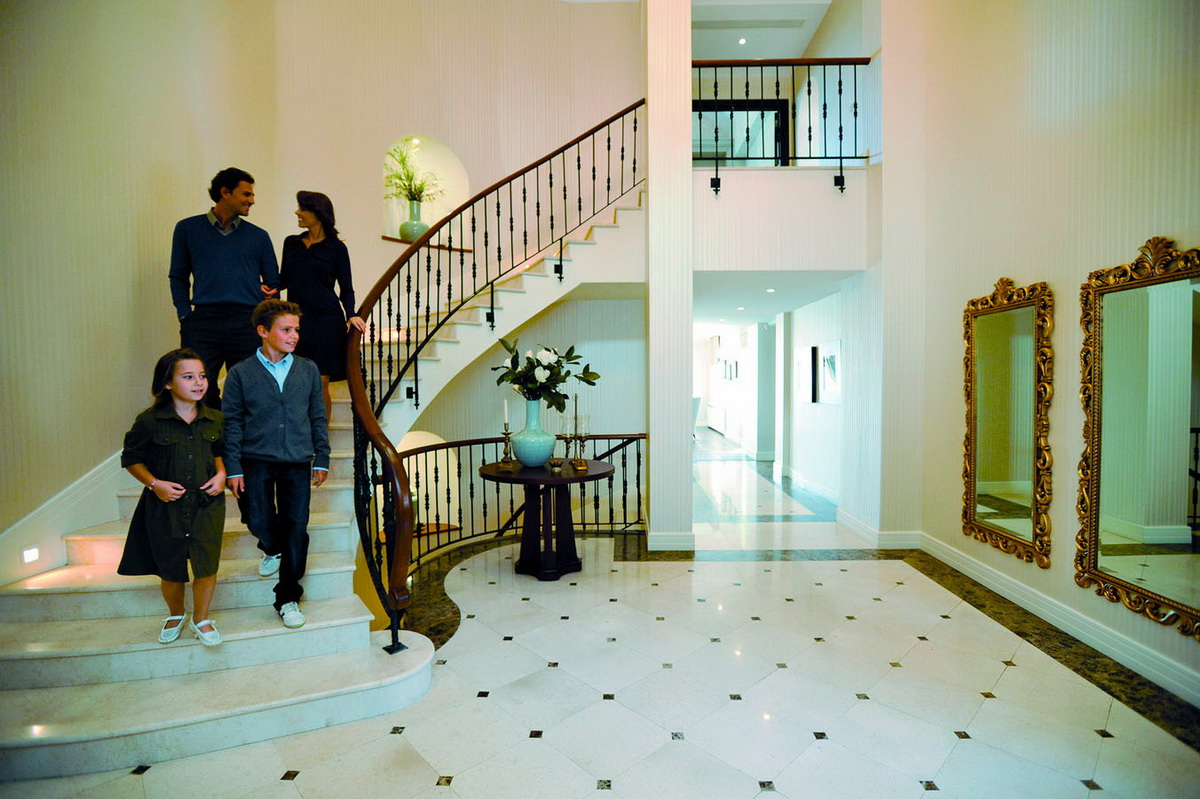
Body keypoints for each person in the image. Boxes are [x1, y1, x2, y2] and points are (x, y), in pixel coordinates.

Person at [223, 299, 330, 629]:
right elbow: (231, 423)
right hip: (254, 459)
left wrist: (322, 458)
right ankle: (272, 547)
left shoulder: (308, 370)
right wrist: (233, 466)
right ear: (263, 331)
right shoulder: (240, 373)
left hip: (297, 460)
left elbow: (317, 416)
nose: (294, 335)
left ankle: (287, 597)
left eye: (296, 329)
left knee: (297, 528)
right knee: (256, 517)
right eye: (286, 330)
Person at [118, 349, 227, 646]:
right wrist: (155, 484)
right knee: (171, 566)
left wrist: (221, 474)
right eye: (188, 377)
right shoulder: (149, 421)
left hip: (207, 504)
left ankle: (201, 618)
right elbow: (131, 459)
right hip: (165, 506)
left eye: (202, 376)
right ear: (167, 383)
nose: (199, 382)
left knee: (206, 563)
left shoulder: (215, 419)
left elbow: (219, 451)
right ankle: (176, 613)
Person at [169, 167, 281, 408]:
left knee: (249, 390)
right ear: (225, 192)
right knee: (198, 390)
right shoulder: (187, 229)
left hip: (246, 322)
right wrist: (184, 314)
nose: (252, 201)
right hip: (203, 322)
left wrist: (267, 321)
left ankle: (239, 433)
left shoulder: (259, 236)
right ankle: (212, 432)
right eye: (246, 194)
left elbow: (273, 284)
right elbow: (178, 276)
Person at [280, 190, 367, 421]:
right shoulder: (291, 243)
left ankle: (320, 440)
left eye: (302, 208)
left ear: (318, 212)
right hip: (295, 321)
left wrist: (351, 314)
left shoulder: (337, 249)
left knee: (319, 384)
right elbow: (283, 280)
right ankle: (299, 437)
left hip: (326, 322)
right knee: (296, 384)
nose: (297, 212)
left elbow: (346, 288)